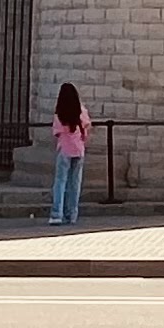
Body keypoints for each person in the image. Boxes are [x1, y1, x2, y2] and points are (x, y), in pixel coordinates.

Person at [47, 82, 91, 228]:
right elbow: (87, 126)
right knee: (75, 183)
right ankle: (72, 214)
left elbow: (57, 133)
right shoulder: (81, 112)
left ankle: (57, 214)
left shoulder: (59, 115)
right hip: (79, 149)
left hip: (65, 150)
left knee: (60, 182)